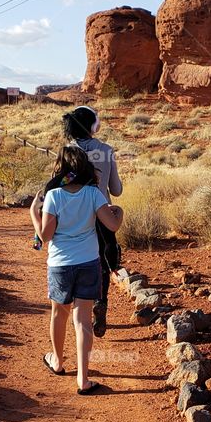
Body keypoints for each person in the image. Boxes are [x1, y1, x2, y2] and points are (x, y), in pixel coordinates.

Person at [30, 145, 123, 395]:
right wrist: (120, 212)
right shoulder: (93, 194)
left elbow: (45, 236)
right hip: (88, 262)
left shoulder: (54, 196)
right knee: (82, 320)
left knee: (59, 314)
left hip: (60, 264)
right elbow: (112, 225)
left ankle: (58, 362)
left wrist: (33, 213)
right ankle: (83, 379)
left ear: (61, 167)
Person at [62, 105, 122, 338]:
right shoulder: (106, 150)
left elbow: (63, 182)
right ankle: (101, 302)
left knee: (77, 260)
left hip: (74, 216)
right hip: (102, 212)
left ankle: (79, 309)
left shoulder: (67, 151)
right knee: (102, 261)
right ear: (91, 126)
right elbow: (116, 189)